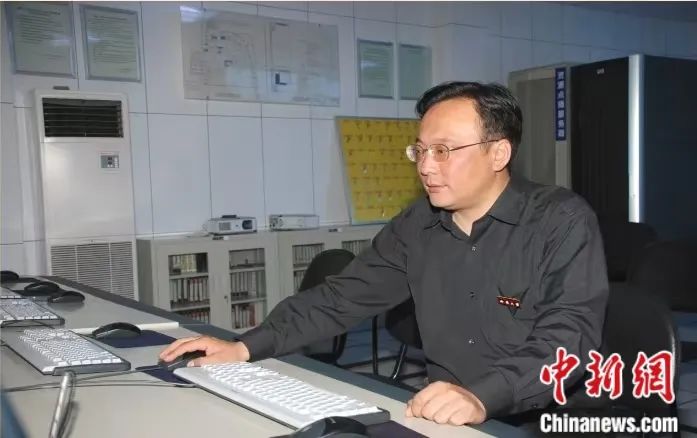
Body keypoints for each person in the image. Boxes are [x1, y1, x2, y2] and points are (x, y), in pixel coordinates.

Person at [161, 81, 609, 426]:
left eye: (443, 151)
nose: (426, 166)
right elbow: (342, 296)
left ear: (498, 153)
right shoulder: (418, 224)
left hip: (541, 416)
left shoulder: (559, 220)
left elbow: (568, 336)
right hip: (441, 414)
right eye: (421, 150)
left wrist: (482, 396)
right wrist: (244, 346)